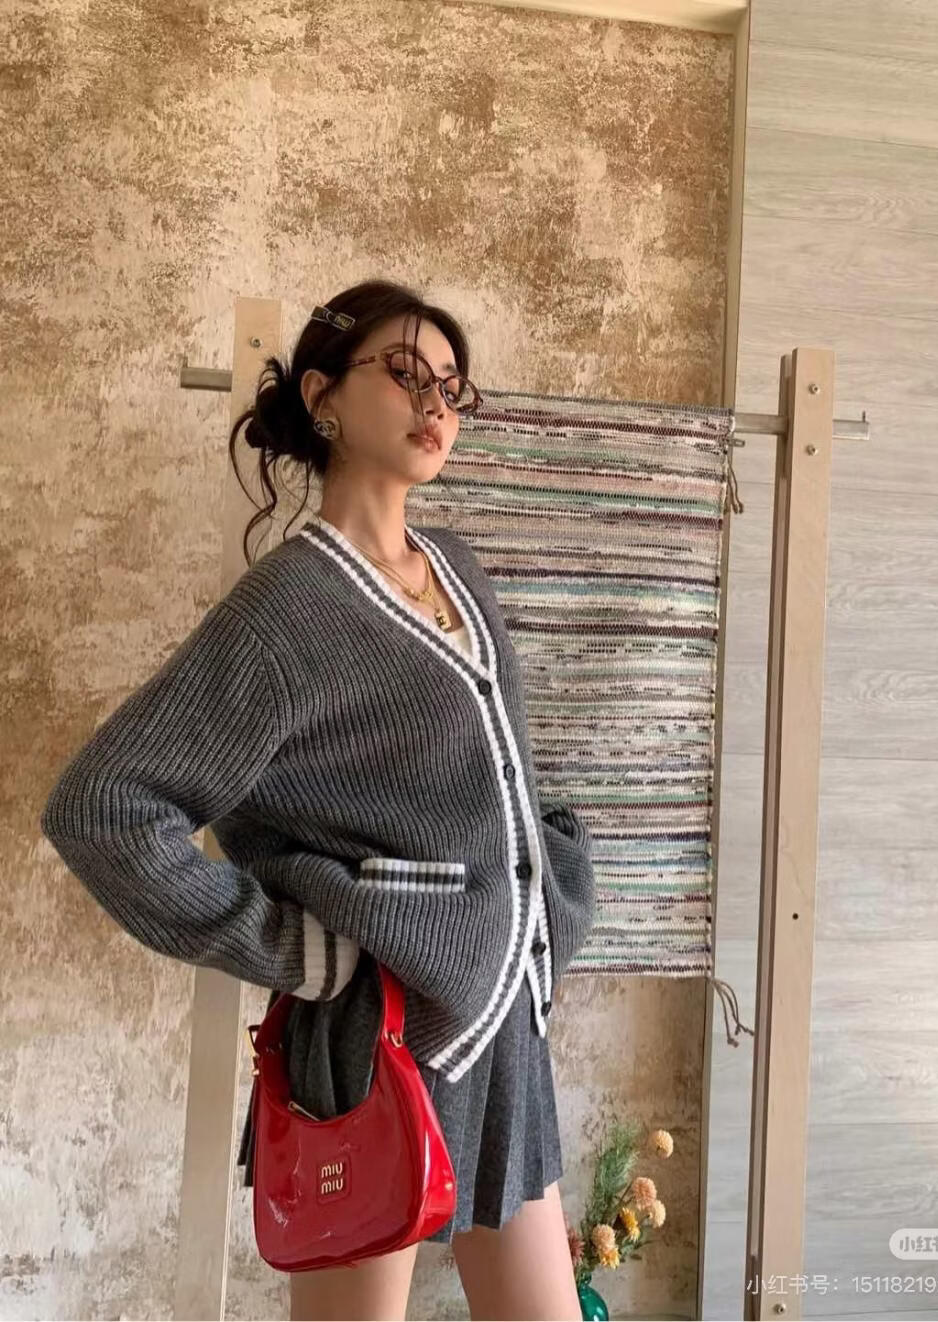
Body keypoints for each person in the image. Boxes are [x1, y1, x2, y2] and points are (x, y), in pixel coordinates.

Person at [41, 277, 597, 1321]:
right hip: (378, 1046)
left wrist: (554, 881)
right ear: (323, 395)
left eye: (452, 386)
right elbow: (103, 808)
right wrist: (297, 949)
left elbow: (500, 774)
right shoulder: (287, 610)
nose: (435, 404)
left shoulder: (456, 567)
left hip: (499, 1031)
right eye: (406, 372)